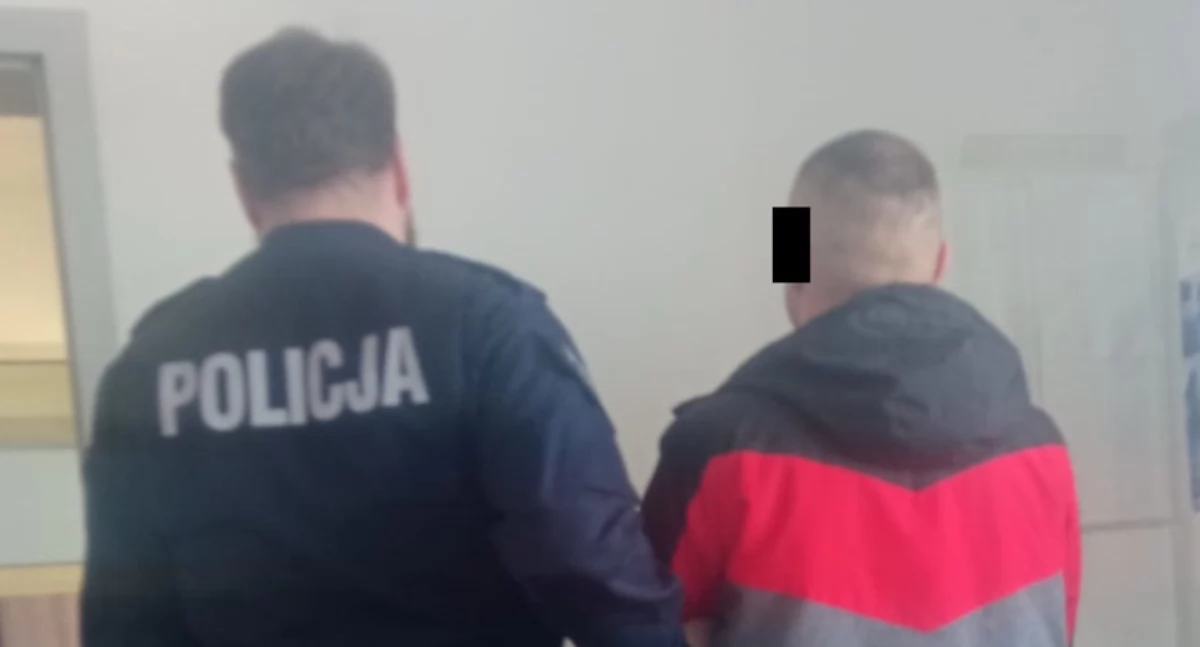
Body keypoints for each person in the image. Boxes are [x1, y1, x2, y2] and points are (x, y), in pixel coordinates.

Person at [81, 28, 684, 647]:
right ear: (398, 167)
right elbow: (599, 578)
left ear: (244, 189)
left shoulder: (150, 369)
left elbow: (125, 627)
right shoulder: (487, 328)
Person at [642, 130, 1081, 647]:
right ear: (941, 263)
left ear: (789, 260)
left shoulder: (716, 453)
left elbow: (639, 630)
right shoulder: (1043, 448)